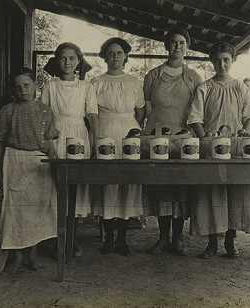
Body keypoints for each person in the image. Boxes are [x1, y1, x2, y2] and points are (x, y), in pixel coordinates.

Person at [188, 42, 250, 259]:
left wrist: (244, 133)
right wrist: (204, 137)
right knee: (211, 193)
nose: (222, 64)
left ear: (233, 60)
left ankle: (230, 239)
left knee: (235, 192)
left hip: (236, 146)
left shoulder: (240, 87)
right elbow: (195, 117)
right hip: (212, 146)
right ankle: (211, 242)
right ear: (211, 61)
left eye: (226, 59)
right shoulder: (205, 87)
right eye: (217, 60)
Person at [0, 67, 59, 273]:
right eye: (18, 87)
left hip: (39, 163)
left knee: (37, 209)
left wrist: (55, 163)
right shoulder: (8, 111)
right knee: (15, 210)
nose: (23, 90)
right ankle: (17, 257)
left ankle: (32, 255)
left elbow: (49, 143)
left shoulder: (45, 111)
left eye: (27, 85)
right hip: (14, 161)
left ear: (36, 85)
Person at [143, 27, 203, 256]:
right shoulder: (153, 76)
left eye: (181, 43)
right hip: (157, 138)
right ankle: (162, 237)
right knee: (160, 189)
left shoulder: (194, 77)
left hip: (183, 140)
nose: (177, 47)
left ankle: (178, 238)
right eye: (173, 43)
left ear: (187, 47)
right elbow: (147, 110)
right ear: (166, 45)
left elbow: (197, 111)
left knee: (180, 189)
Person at [40, 42, 99, 256]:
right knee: (55, 188)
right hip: (56, 134)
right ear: (57, 61)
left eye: (72, 58)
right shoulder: (50, 86)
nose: (67, 62)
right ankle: (56, 241)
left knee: (74, 189)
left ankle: (70, 241)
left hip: (78, 137)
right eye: (63, 58)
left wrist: (94, 141)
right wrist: (47, 144)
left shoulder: (86, 86)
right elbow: (43, 115)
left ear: (78, 61)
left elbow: (92, 115)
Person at [89, 38, 145, 256]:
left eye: (119, 53)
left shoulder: (134, 82)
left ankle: (123, 239)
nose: (115, 57)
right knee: (107, 185)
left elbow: (140, 111)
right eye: (110, 53)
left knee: (127, 185)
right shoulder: (96, 82)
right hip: (105, 131)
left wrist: (133, 129)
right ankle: (109, 238)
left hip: (129, 132)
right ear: (104, 56)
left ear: (125, 56)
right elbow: (91, 112)